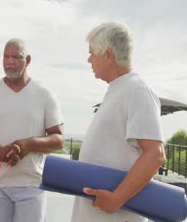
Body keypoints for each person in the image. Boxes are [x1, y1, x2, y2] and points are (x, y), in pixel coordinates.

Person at [70, 22, 166, 222]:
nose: (89, 60)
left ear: (108, 55)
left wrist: (117, 198)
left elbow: (155, 155)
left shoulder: (137, 91)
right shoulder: (119, 89)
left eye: (91, 53)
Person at [0, 38, 65, 222]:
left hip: (31, 185)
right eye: (6, 56)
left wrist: (28, 144)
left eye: (16, 57)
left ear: (28, 60)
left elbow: (58, 139)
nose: (9, 62)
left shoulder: (44, 94)